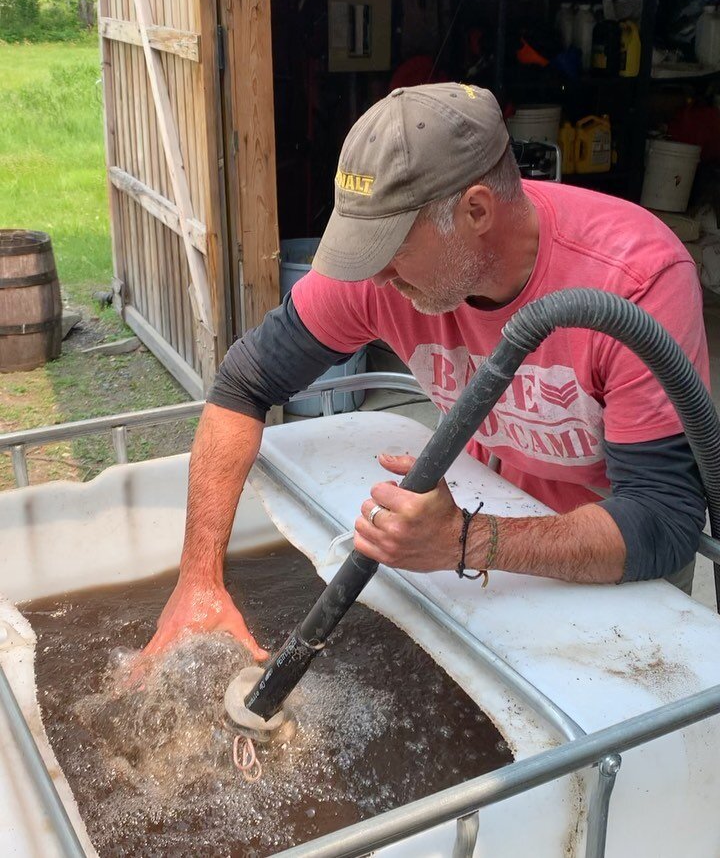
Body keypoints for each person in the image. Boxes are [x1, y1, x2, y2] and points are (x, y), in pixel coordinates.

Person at [143, 83, 709, 661]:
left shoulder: (636, 280)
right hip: (493, 520)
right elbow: (243, 384)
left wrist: (467, 539)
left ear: (477, 210)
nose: (376, 278)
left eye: (388, 249)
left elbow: (664, 521)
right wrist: (198, 581)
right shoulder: (381, 275)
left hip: (614, 572)